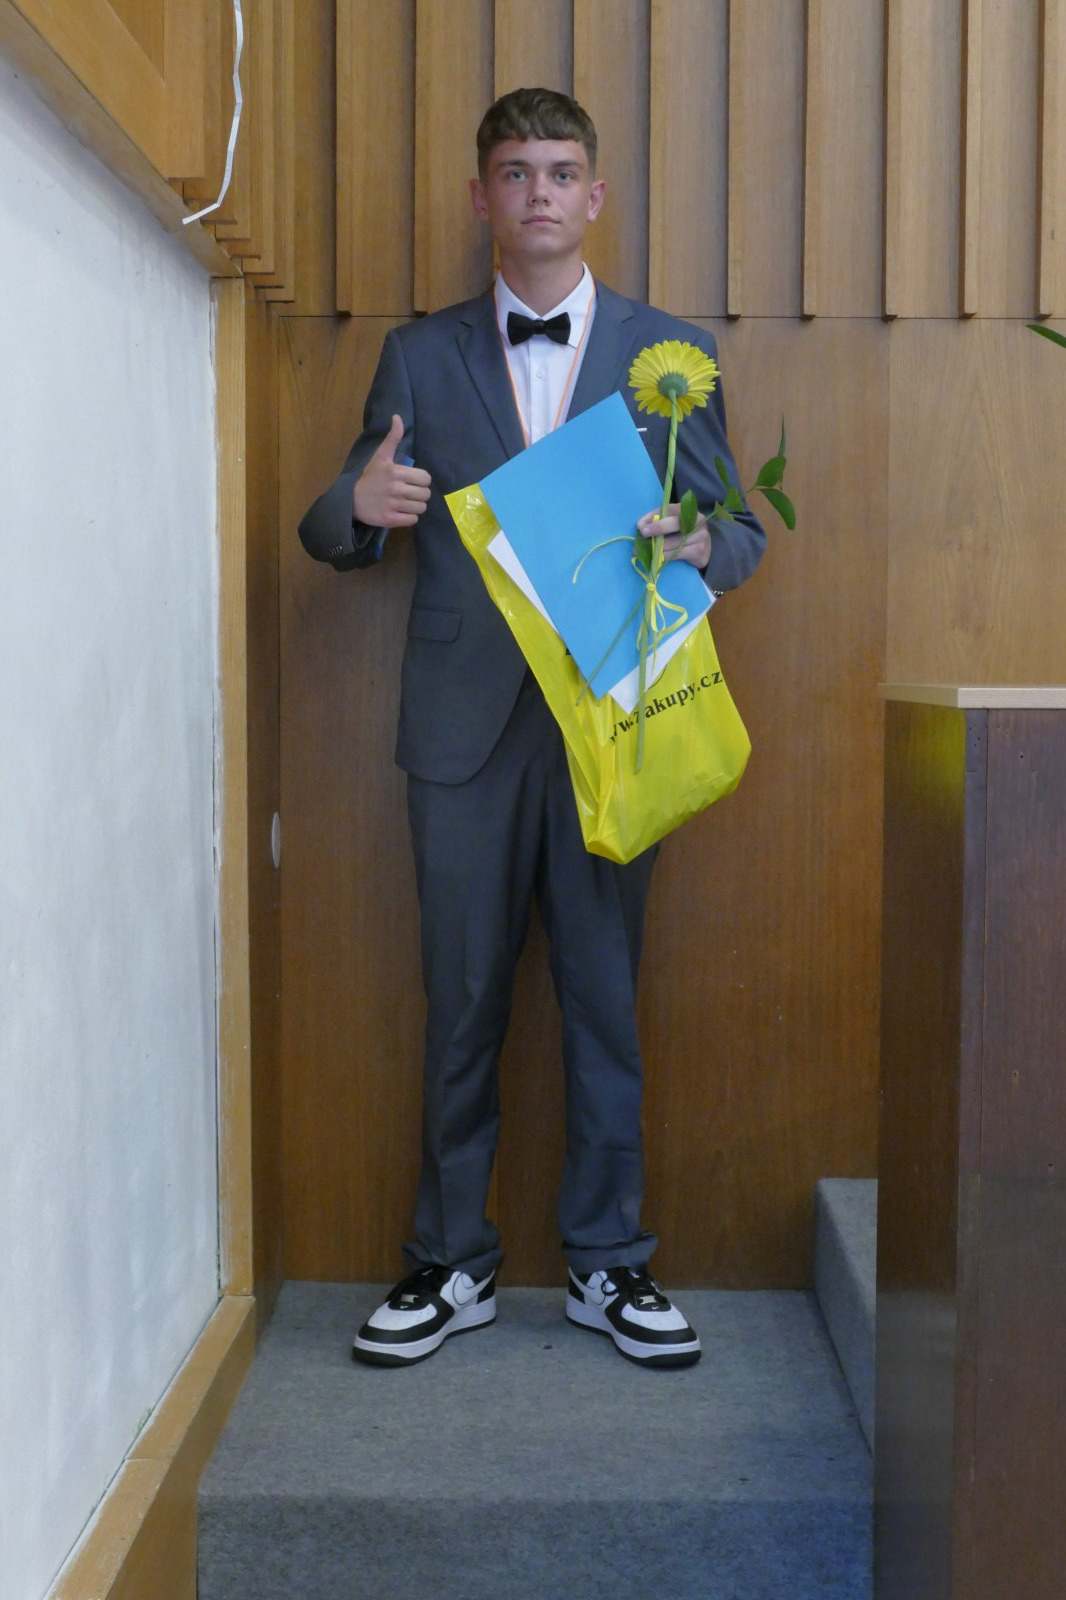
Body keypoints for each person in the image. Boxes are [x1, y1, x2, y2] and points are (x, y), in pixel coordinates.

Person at [299, 88, 765, 1370]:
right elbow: (335, 524)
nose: (539, 192)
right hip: (462, 733)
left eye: (560, 171)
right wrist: (359, 507)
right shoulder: (418, 354)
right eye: (515, 172)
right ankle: (450, 1261)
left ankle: (610, 1263)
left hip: (616, 716)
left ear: (594, 196)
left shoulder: (672, 353)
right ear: (482, 197)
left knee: (603, 996)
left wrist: (699, 543)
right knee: (460, 1001)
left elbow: (738, 532)